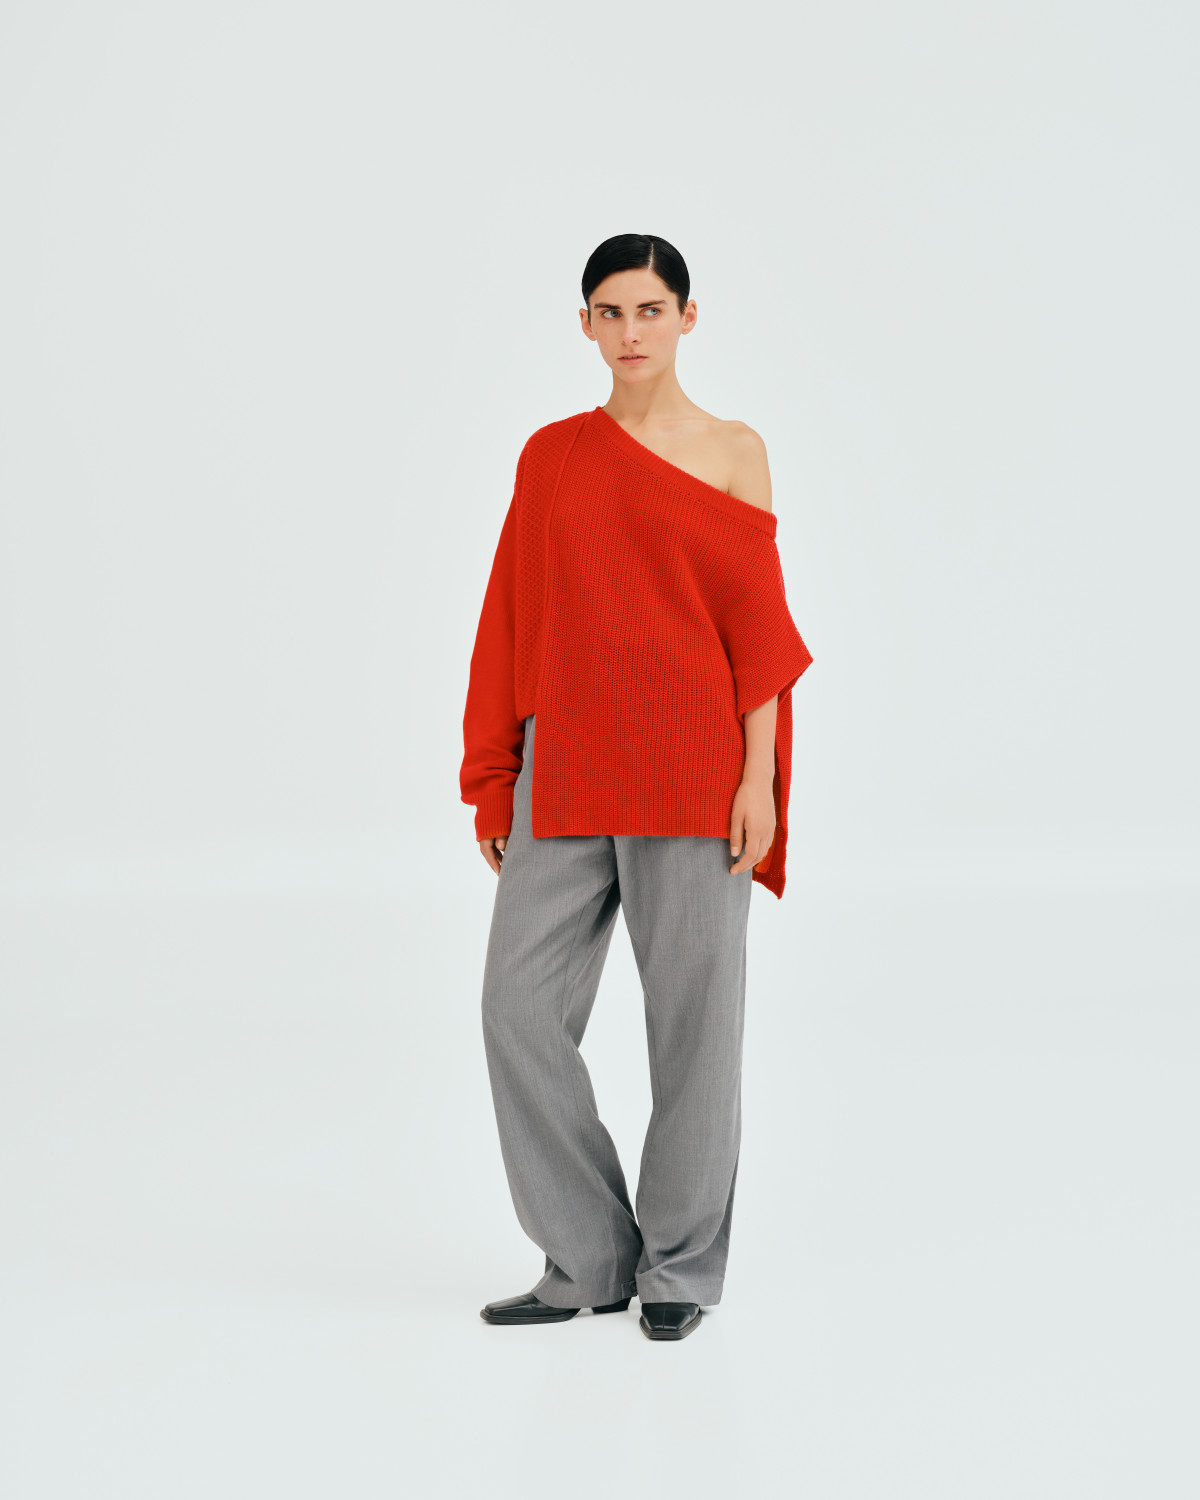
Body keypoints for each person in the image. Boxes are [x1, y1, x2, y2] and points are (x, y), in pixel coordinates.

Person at [459, 233, 814, 1342]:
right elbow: (512, 614)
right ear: (584, 326)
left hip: (696, 772)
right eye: (609, 313)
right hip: (564, 768)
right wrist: (496, 775)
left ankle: (680, 1269)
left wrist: (758, 779)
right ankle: (587, 1256)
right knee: (516, 1007)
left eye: (649, 310)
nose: (629, 332)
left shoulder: (733, 450)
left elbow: (757, 631)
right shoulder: (553, 456)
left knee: (695, 1029)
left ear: (687, 318)